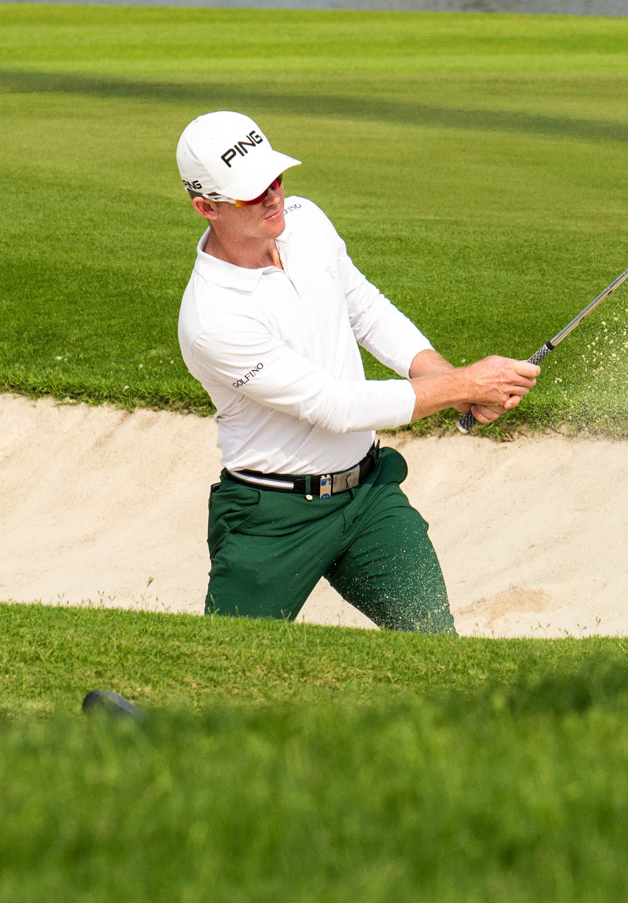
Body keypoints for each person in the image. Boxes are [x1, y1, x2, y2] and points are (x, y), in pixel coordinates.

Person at [175, 110, 537, 632]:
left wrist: (443, 376)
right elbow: (335, 406)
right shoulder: (213, 318)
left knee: (433, 644)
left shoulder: (306, 220)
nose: (274, 195)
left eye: (276, 178)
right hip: (272, 518)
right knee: (224, 667)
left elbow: (363, 307)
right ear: (206, 206)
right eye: (253, 191)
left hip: (367, 499)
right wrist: (465, 384)